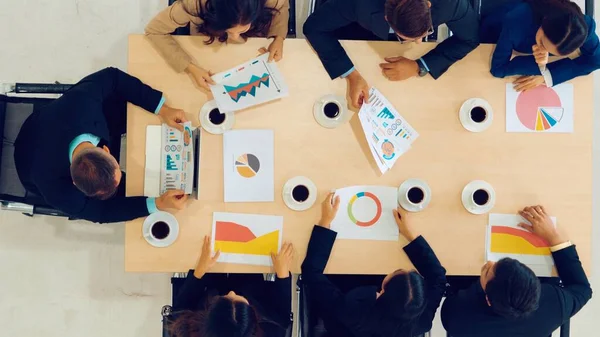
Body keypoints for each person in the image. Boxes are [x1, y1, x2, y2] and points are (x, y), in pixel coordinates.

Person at [14, 67, 190, 223]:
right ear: (74, 184)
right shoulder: (57, 192)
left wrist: (162, 109)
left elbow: (112, 77)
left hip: (43, 123)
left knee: (119, 107)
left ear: (106, 149)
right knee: (131, 192)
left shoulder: (81, 103)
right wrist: (156, 204)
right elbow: (101, 212)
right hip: (29, 168)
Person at [301, 193, 447, 337]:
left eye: (397, 271)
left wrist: (325, 222)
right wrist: (411, 235)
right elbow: (439, 277)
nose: (404, 268)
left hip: (346, 308)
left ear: (382, 290)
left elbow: (310, 273)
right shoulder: (422, 322)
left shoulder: (350, 309)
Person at [441, 205, 593, 337]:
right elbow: (583, 289)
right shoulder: (555, 306)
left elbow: (452, 298)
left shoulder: (457, 318)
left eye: (488, 272)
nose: (490, 262)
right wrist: (553, 237)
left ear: (487, 298)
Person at [303, 0, 480, 108]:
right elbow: (314, 28)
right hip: (360, 31)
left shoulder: (451, 3)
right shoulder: (359, 3)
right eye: (406, 39)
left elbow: (471, 38)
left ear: (428, 4)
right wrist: (351, 74)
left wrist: (420, 65)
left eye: (425, 33)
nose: (418, 43)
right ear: (386, 19)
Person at [145, 0, 290, 90]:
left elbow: (282, 6)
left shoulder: (270, 1)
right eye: (229, 30)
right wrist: (190, 68)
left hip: (251, 47)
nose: (234, 37)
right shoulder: (195, 4)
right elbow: (154, 30)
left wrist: (278, 37)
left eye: (242, 28)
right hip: (206, 44)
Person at [169, 235, 293, 337]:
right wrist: (282, 274)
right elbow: (282, 315)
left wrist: (200, 270)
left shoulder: (188, 329)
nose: (232, 292)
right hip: (251, 283)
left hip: (208, 283)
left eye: (225, 298)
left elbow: (181, 307)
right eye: (237, 299)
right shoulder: (272, 332)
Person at [481, 0, 600, 91]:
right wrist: (541, 67)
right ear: (545, 20)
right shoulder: (516, 21)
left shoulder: (584, 28)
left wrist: (548, 75)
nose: (543, 50)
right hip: (496, 27)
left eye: (553, 52)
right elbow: (498, 68)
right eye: (542, 43)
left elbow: (596, 60)